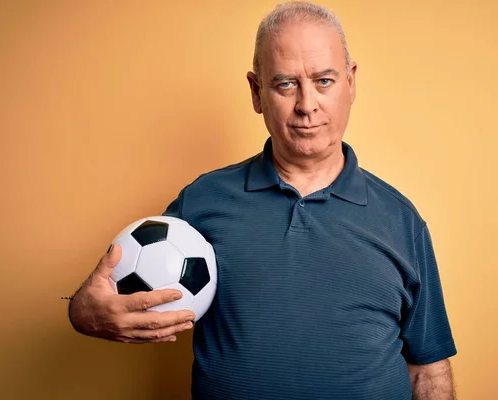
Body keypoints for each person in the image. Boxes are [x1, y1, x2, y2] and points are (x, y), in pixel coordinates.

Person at [68, 2, 457, 399]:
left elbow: (427, 367)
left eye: (324, 81)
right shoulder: (203, 201)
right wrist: (83, 311)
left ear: (351, 83)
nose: (307, 105)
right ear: (257, 92)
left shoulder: (401, 219)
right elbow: (108, 296)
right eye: (286, 84)